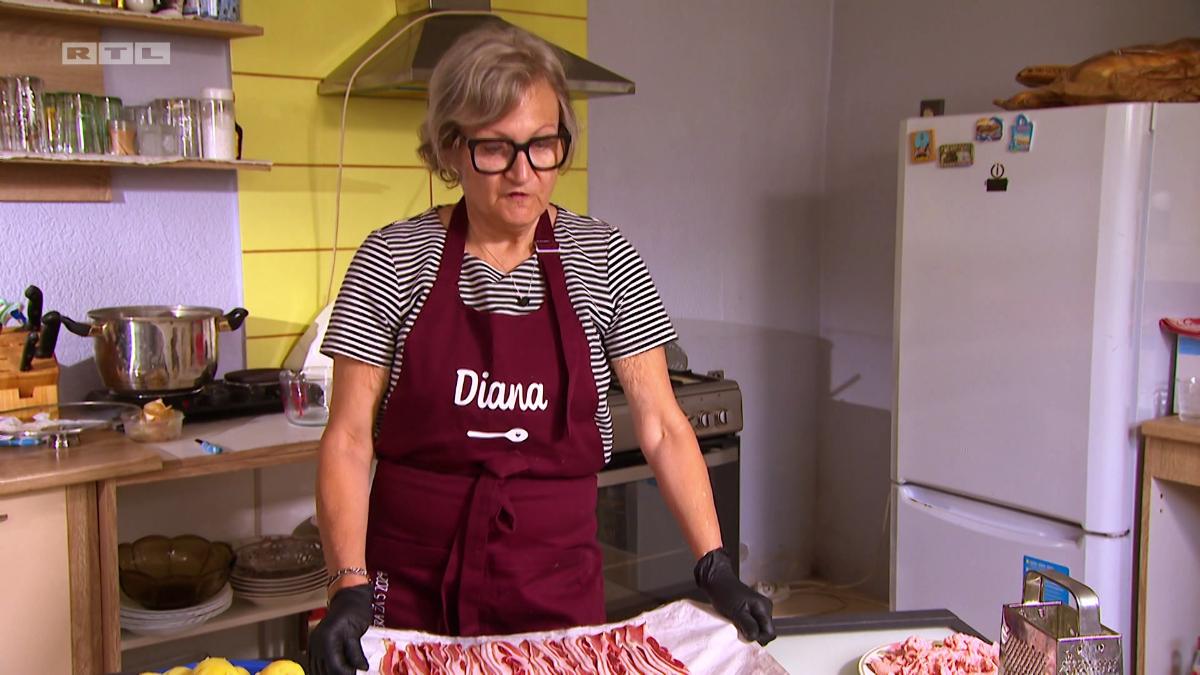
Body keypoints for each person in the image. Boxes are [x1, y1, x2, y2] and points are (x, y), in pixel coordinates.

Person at [307, 24, 775, 675]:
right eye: (496, 148)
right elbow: (349, 438)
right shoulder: (393, 258)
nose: (524, 172)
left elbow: (663, 425)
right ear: (451, 148)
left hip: (555, 581)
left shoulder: (604, 257)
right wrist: (347, 585)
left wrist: (714, 563)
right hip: (413, 579)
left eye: (543, 145)